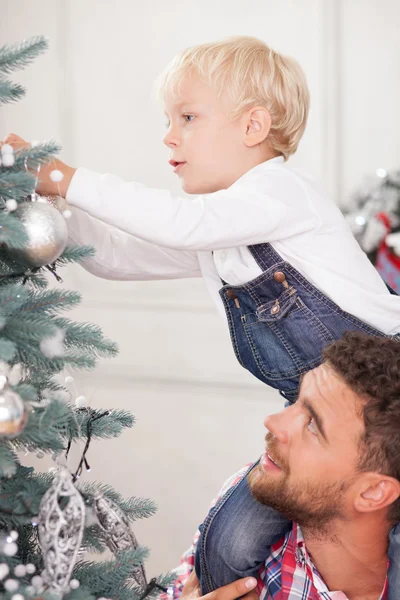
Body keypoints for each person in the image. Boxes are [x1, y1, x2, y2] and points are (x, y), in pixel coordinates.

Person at [2, 35, 400, 597]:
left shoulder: (282, 194)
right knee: (229, 544)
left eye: (187, 117)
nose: (169, 135)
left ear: (253, 127)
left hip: (389, 405)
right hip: (317, 416)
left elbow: (180, 223)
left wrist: (68, 176)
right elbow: (117, 258)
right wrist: (48, 207)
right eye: (170, 119)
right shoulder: (223, 235)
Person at [171, 332, 400, 599]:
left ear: (373, 491)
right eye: (296, 402)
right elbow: (174, 590)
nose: (272, 421)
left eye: (313, 425)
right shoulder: (253, 493)